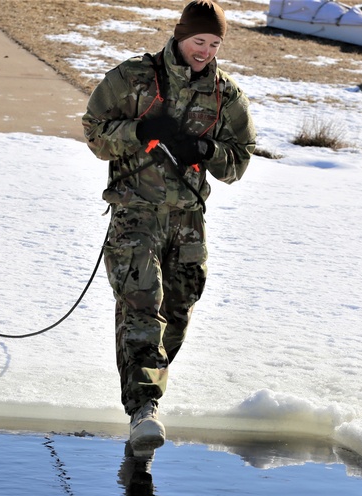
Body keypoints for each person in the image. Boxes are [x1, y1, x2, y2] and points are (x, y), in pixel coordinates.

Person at [82, 0, 256, 452]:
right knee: (142, 304)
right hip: (134, 212)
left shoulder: (225, 94)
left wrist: (205, 149)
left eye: (215, 43)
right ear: (180, 35)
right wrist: (139, 132)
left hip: (188, 221)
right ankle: (144, 407)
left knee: (177, 312)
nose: (205, 51)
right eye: (200, 41)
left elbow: (239, 161)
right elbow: (94, 131)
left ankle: (146, 387)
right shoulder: (134, 77)